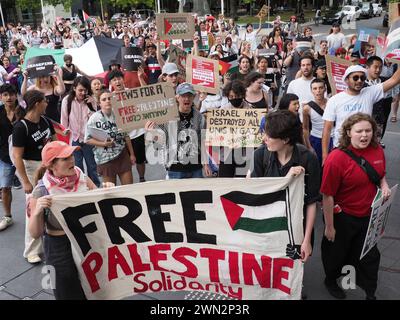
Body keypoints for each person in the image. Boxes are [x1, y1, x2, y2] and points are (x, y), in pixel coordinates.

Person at [320, 113, 390, 300]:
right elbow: (327, 195)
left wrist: (384, 185)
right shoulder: (336, 158)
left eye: (368, 130)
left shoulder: (377, 150)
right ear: (349, 132)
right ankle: (331, 280)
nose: (364, 135)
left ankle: (370, 293)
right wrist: (329, 226)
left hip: (369, 215)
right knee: (337, 254)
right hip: (343, 216)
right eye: (359, 131)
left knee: (370, 256)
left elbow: (380, 173)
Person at [28, 141, 100, 300]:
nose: (72, 160)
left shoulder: (80, 175)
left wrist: (107, 190)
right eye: (65, 158)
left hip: (86, 239)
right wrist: (38, 211)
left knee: (95, 285)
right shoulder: (41, 191)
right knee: (67, 291)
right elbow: (34, 233)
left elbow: (98, 199)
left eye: (71, 155)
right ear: (52, 166)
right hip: (59, 247)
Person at [251, 110, 320, 268]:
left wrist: (306, 239)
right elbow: (258, 195)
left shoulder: (308, 159)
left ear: (286, 139)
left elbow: (311, 202)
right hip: (269, 224)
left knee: (293, 266)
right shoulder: (261, 155)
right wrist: (286, 180)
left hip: (296, 226)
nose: (264, 139)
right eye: (264, 133)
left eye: (269, 136)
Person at [321, 64, 400, 163]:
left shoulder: (370, 93)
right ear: (346, 80)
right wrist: (325, 156)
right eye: (355, 77)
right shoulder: (335, 100)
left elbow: (394, 80)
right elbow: (327, 129)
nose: (359, 81)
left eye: (362, 78)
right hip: (342, 149)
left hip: (365, 148)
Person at [12, 90, 56, 264]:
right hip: (30, 167)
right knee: (34, 208)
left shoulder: (45, 121)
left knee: (53, 202)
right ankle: (31, 250)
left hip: (48, 165)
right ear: (37, 103)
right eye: (45, 101)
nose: (47, 103)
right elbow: (17, 156)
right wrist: (25, 181)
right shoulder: (21, 127)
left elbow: (53, 141)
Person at [145, 83, 212, 179]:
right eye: (183, 96)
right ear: (177, 98)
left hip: (196, 168)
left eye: (189, 95)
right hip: (175, 169)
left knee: (197, 194)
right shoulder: (168, 117)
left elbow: (202, 142)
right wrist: (151, 132)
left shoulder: (200, 118)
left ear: (193, 97)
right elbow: (160, 142)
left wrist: (205, 164)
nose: (186, 99)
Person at [85, 90, 136, 185]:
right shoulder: (94, 118)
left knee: (129, 188)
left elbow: (126, 136)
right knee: (112, 193)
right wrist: (103, 144)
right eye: (104, 99)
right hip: (105, 158)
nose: (107, 101)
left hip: (122, 154)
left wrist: (132, 154)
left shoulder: (120, 114)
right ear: (99, 103)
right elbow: (87, 139)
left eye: (109, 98)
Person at [60, 76, 100, 187]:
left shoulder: (90, 100)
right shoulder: (67, 100)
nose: (83, 93)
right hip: (74, 139)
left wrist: (93, 105)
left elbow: (95, 121)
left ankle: (96, 188)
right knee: (77, 167)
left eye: (85, 90)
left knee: (92, 166)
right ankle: (80, 188)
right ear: (74, 88)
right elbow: (64, 120)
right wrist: (65, 130)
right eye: (80, 90)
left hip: (88, 139)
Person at [0, 84, 23, 231]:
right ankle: (7, 216)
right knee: (5, 188)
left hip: (23, 155)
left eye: (12, 94)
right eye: (5, 95)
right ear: (1, 97)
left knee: (32, 186)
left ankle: (39, 214)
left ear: (16, 95)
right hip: (5, 157)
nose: (9, 97)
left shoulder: (23, 111)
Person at [303, 79, 333, 166]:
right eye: (315, 88)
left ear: (325, 89)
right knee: (317, 166)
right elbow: (305, 128)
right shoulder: (307, 108)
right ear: (311, 90)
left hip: (332, 138)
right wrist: (309, 146)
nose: (318, 91)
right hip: (316, 139)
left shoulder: (332, 103)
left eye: (320, 88)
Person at [365, 56, 393, 147]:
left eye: (380, 67)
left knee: (374, 148)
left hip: (379, 121)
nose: (378, 70)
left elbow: (388, 102)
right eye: (375, 67)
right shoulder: (359, 82)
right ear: (367, 67)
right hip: (363, 121)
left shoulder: (384, 82)